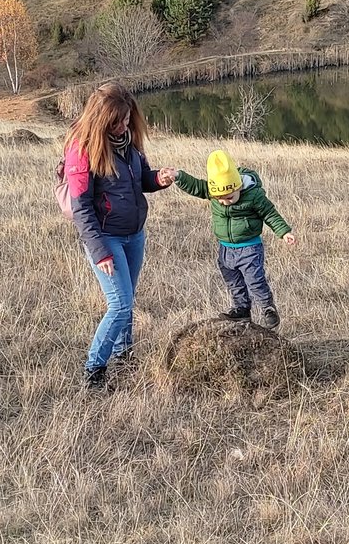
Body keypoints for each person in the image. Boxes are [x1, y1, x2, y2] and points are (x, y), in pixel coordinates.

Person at [60, 84, 174, 390]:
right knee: (121, 305)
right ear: (100, 120)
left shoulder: (130, 141)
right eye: (117, 122)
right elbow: (81, 208)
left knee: (128, 298)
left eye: (126, 119)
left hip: (134, 234)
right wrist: (100, 252)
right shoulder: (81, 150)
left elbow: (141, 180)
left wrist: (158, 179)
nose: (124, 126)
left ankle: (125, 354)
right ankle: (94, 369)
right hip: (105, 237)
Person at [170, 148, 295, 329]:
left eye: (229, 197)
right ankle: (241, 310)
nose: (224, 202)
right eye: (219, 199)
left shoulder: (253, 195)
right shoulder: (214, 192)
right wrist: (178, 176)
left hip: (249, 248)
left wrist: (284, 232)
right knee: (233, 282)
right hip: (225, 249)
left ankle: (267, 308)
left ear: (238, 186)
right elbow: (196, 186)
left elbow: (270, 214)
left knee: (254, 280)